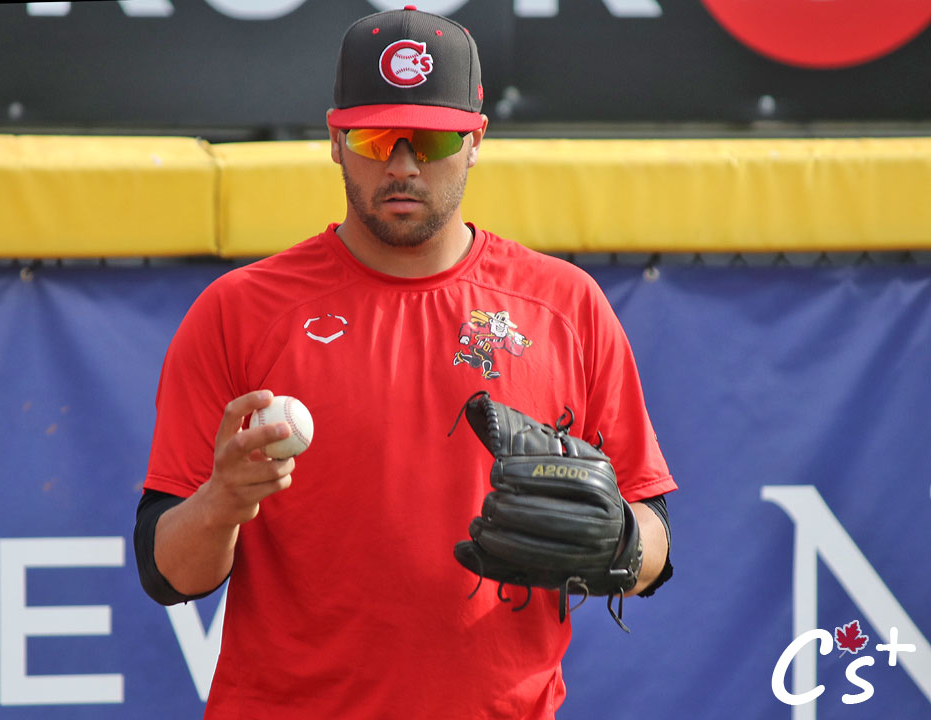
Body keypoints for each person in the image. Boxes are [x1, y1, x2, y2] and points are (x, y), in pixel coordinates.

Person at [134, 6, 676, 719]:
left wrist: (623, 539)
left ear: (476, 141)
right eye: (374, 135)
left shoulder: (564, 305)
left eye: (431, 138)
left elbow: (656, 536)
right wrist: (222, 502)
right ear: (334, 139)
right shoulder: (240, 310)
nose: (401, 164)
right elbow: (167, 573)